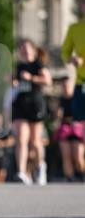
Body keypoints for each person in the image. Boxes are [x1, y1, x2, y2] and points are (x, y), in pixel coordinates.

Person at [11, 38, 51, 184]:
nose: (25, 51)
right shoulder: (19, 66)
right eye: (22, 49)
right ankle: (21, 172)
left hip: (35, 103)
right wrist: (12, 81)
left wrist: (32, 78)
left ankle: (40, 167)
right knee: (21, 138)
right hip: (21, 103)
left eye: (27, 49)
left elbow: (48, 81)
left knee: (35, 140)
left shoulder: (38, 64)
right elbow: (16, 83)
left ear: (33, 50)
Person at [51, 75, 84, 182]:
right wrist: (57, 114)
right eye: (63, 84)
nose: (65, 86)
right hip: (64, 128)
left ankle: (82, 174)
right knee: (66, 155)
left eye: (67, 84)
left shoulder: (78, 97)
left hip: (77, 128)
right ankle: (70, 177)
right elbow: (56, 116)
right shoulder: (60, 100)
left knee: (78, 156)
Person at [61, 0, 85, 123]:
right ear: (81, 6)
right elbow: (64, 53)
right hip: (82, 83)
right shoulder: (74, 28)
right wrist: (72, 59)